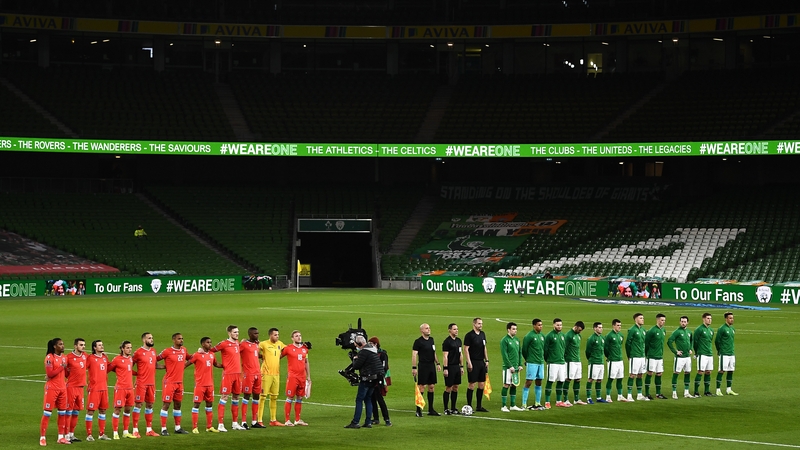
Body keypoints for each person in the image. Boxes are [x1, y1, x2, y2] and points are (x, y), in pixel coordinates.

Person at [344, 336, 385, 429]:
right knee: (368, 399)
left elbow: (357, 366)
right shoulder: (373, 350)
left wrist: (354, 358)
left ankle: (355, 422)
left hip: (367, 378)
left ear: (360, 344)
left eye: (355, 344)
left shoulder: (364, 352)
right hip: (375, 378)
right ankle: (368, 422)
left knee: (359, 399)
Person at [211, 325, 244, 431]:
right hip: (228, 374)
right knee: (224, 397)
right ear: (229, 333)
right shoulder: (223, 344)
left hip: (238, 374)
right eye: (235, 332)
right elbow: (211, 351)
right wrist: (216, 364)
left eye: (238, 332)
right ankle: (220, 424)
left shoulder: (237, 343)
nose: (237, 334)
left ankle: (235, 423)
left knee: (236, 398)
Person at [186, 337, 223, 433]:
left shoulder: (212, 354)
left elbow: (216, 364)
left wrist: (225, 366)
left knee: (209, 405)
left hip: (210, 384)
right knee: (196, 404)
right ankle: (194, 427)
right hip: (200, 385)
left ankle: (209, 427)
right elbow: (186, 364)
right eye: (208, 342)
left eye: (210, 342)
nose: (210, 344)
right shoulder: (196, 355)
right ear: (202, 344)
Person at [157, 333, 189, 435]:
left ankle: (177, 427)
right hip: (169, 382)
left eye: (182, 338)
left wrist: (185, 365)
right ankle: (163, 429)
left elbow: (191, 358)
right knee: (166, 404)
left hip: (180, 382)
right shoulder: (167, 351)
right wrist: (163, 367)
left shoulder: (184, 350)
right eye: (179, 339)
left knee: (178, 405)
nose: (181, 340)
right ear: (174, 340)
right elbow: (154, 359)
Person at [40, 338, 69, 446]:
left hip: (63, 388)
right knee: (47, 413)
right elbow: (50, 374)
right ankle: (42, 437)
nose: (63, 346)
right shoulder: (49, 358)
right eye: (60, 344)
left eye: (63, 344)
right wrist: (62, 367)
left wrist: (69, 371)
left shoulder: (64, 358)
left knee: (62, 413)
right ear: (54, 346)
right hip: (52, 388)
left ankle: (61, 437)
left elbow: (66, 374)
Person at [280, 330, 310, 426]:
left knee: (300, 398)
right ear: (292, 338)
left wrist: (308, 376)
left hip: (302, 377)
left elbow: (306, 362)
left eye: (300, 335)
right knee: (290, 397)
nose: (299, 337)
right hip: (293, 377)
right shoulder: (288, 348)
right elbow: (278, 357)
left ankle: (297, 419)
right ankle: (287, 420)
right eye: (296, 336)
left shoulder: (305, 349)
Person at [132, 332, 159, 437]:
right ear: (144, 340)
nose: (151, 339)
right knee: (138, 404)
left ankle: (149, 430)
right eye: (149, 338)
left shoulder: (153, 351)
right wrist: (137, 374)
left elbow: (155, 365)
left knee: (150, 405)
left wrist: (169, 367)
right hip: (141, 383)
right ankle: (135, 430)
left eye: (152, 338)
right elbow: (129, 366)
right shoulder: (138, 352)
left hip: (151, 383)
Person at [257, 328, 285, 427]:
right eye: (275, 335)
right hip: (266, 374)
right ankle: (259, 420)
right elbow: (255, 351)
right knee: (263, 396)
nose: (277, 336)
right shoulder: (263, 344)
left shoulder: (280, 344)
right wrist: (261, 357)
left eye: (278, 334)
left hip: (276, 374)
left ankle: (273, 420)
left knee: (274, 397)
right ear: (270, 335)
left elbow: (287, 350)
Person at [85, 340, 112, 441]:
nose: (102, 346)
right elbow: (82, 368)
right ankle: (89, 435)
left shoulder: (105, 357)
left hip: (104, 388)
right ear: (94, 348)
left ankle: (101, 434)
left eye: (102, 344)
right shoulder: (90, 358)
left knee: (103, 410)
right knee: (90, 411)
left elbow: (108, 368)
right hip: (94, 389)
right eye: (99, 345)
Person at [412, 323, 441, 417]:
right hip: (423, 366)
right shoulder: (418, 342)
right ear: (422, 330)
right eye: (426, 328)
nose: (429, 329)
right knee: (422, 387)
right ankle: (418, 409)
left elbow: (434, 353)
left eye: (429, 328)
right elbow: (414, 355)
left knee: (432, 386)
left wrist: (438, 363)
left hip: (431, 366)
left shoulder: (431, 340)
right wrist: (414, 367)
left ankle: (431, 409)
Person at [109, 341, 136, 439]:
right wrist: (118, 372)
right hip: (120, 388)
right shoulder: (117, 359)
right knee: (117, 409)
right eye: (128, 348)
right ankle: (115, 432)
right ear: (122, 349)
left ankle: (125, 432)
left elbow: (128, 370)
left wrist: (137, 374)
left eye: (130, 347)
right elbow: (109, 368)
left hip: (130, 388)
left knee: (128, 409)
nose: (130, 349)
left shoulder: (130, 359)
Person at [463, 317, 489, 412]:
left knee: (481, 384)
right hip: (473, 361)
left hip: (481, 362)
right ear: (474, 324)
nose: (481, 325)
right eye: (479, 323)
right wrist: (469, 362)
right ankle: (469, 406)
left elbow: (484, 348)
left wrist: (487, 360)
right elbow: (466, 349)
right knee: (472, 384)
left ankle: (479, 406)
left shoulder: (482, 334)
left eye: (481, 323)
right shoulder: (469, 335)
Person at [239, 327, 263, 429]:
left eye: (257, 333)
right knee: (246, 396)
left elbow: (255, 355)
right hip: (248, 374)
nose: (256, 335)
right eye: (254, 334)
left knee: (256, 396)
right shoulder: (243, 345)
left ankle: (254, 421)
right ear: (249, 334)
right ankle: (243, 422)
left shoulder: (257, 344)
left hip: (258, 373)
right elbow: (235, 353)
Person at [65, 338, 87, 442]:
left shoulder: (85, 356)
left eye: (84, 345)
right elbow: (64, 372)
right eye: (81, 345)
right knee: (68, 412)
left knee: (76, 412)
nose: (83, 346)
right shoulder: (68, 357)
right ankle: (65, 435)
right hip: (71, 388)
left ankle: (71, 434)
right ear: (75, 346)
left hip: (81, 388)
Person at [667, 315, 694, 399]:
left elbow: (691, 341)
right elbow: (669, 341)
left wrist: (690, 349)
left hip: (687, 357)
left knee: (687, 373)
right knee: (676, 373)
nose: (683, 323)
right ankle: (674, 392)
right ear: (680, 322)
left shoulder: (689, 332)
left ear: (687, 322)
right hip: (680, 358)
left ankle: (686, 392)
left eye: (684, 321)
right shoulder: (677, 332)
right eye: (682, 321)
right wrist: (675, 351)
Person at [521, 318, 546, 410]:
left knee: (539, 381)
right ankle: (524, 404)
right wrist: (527, 359)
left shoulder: (542, 336)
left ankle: (537, 402)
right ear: (534, 325)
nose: (541, 326)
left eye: (541, 325)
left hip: (540, 362)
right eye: (539, 325)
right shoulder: (529, 336)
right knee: (529, 382)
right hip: (532, 362)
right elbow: (524, 349)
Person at [500, 322, 525, 412]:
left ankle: (513, 405)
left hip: (516, 368)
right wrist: (509, 366)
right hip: (508, 368)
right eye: (513, 329)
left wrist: (520, 364)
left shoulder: (517, 340)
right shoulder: (504, 340)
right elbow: (504, 354)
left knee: (514, 385)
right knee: (506, 385)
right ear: (508, 330)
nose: (515, 331)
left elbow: (519, 353)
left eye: (516, 329)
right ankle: (503, 406)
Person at [544, 318, 568, 408]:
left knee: (561, 381)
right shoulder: (549, 336)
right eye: (557, 325)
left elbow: (564, 348)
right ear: (553, 325)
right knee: (550, 381)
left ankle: (559, 401)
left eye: (560, 325)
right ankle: (547, 402)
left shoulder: (563, 336)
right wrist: (548, 360)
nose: (559, 326)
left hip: (561, 362)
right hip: (553, 362)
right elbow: (545, 350)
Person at [369, 336, 392, 426]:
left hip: (379, 379)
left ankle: (387, 419)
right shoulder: (370, 353)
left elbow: (384, 367)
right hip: (371, 378)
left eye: (371, 344)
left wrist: (380, 377)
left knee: (380, 399)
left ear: (376, 344)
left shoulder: (382, 354)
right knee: (372, 399)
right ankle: (376, 418)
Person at [441, 323, 464, 415]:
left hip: (456, 366)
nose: (456, 331)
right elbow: (445, 356)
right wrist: (445, 368)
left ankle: (453, 407)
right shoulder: (447, 342)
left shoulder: (458, 341)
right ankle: (446, 408)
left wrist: (461, 366)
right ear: (449, 330)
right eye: (454, 329)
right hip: (450, 366)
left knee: (456, 387)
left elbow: (460, 354)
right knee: (448, 387)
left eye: (457, 329)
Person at [644, 313, 668, 400]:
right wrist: (646, 354)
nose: (663, 322)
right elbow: (646, 343)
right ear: (657, 320)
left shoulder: (663, 330)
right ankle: (647, 393)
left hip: (659, 356)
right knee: (650, 373)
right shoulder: (652, 331)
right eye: (662, 320)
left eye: (664, 320)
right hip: (652, 356)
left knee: (659, 374)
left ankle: (658, 393)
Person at [625, 313, 646, 402]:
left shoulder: (643, 330)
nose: (642, 319)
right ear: (636, 319)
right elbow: (627, 343)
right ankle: (629, 395)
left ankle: (639, 394)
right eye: (640, 318)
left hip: (642, 356)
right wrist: (629, 355)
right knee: (632, 375)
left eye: (643, 318)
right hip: (635, 356)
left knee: (640, 375)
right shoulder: (632, 330)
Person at [715, 312, 738, 396]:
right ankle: (718, 389)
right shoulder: (722, 328)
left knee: (731, 371)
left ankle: (729, 389)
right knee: (721, 370)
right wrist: (719, 350)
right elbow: (717, 341)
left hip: (731, 353)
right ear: (726, 319)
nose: (732, 319)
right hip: (724, 353)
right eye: (730, 318)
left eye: (732, 318)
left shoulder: (732, 329)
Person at [564, 321, 587, 405]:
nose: (580, 332)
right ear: (576, 327)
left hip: (577, 360)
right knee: (568, 379)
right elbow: (564, 348)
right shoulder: (568, 335)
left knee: (578, 379)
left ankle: (576, 399)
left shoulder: (578, 336)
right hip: (570, 360)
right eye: (579, 330)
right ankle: (565, 399)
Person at [693, 313, 715, 397]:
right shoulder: (699, 329)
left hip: (709, 353)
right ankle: (696, 392)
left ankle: (707, 391)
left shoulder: (711, 330)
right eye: (708, 318)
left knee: (708, 372)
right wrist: (696, 352)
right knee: (700, 371)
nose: (709, 320)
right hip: (702, 354)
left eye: (710, 318)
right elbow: (695, 341)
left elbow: (710, 341)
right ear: (703, 319)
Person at [604, 319, 626, 402]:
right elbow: (605, 348)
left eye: (620, 325)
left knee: (620, 378)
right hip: (612, 360)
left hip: (620, 360)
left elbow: (620, 346)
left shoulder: (621, 335)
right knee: (611, 378)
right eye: (618, 325)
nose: (619, 327)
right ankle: (608, 396)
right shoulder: (609, 335)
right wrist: (608, 356)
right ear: (613, 326)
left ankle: (620, 396)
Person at [585, 322, 606, 404]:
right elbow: (588, 351)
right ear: (595, 328)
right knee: (591, 379)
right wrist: (591, 359)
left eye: (602, 327)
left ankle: (599, 397)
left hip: (601, 362)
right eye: (599, 327)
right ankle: (588, 398)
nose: (601, 329)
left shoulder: (602, 338)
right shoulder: (591, 338)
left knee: (599, 380)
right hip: (594, 362)